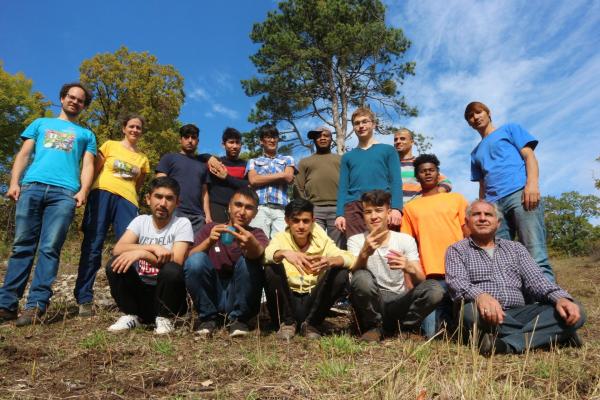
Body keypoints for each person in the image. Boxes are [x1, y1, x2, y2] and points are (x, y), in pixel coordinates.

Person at [0, 83, 96, 327]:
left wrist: (83, 190)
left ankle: (36, 306)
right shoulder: (40, 123)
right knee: (22, 246)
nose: (75, 102)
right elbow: (23, 154)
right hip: (32, 186)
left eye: (80, 100)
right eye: (71, 97)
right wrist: (14, 182)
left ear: (84, 106)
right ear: (62, 98)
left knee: (50, 248)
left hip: (64, 193)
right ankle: (7, 305)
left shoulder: (86, 134)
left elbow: (88, 165)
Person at [445, 199, 586, 356]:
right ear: (467, 222)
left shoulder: (515, 248)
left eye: (488, 214)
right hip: (483, 313)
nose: (483, 218)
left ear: (498, 223)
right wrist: (480, 296)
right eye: (476, 214)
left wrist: (560, 298)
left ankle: (506, 345)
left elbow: (537, 281)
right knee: (469, 313)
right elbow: (456, 282)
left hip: (519, 311)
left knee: (576, 309)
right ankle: (555, 335)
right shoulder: (456, 250)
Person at [465, 101, 554, 281]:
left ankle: (547, 303)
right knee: (500, 258)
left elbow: (529, 156)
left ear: (488, 113)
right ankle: (516, 304)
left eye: (478, 112)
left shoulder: (509, 129)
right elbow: (482, 184)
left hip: (520, 194)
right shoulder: (475, 153)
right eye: (470, 117)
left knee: (534, 252)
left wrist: (532, 185)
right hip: (494, 206)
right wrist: (482, 209)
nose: (475, 117)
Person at [75, 114, 150, 316]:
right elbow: (94, 168)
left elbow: (138, 183)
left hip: (127, 201)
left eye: (138, 128)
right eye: (131, 126)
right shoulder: (109, 145)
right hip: (102, 194)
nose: (135, 130)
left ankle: (133, 300)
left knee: (129, 247)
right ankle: (84, 299)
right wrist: (85, 190)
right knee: (93, 244)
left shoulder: (143, 159)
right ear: (124, 128)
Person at [348, 190, 445, 342]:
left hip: (397, 300)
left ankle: (406, 328)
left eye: (379, 211)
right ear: (363, 215)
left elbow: (420, 278)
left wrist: (408, 266)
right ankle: (374, 327)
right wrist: (364, 254)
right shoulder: (356, 240)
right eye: (368, 212)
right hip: (371, 302)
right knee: (361, 276)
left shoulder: (405, 240)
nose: (374, 216)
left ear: (388, 213)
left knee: (435, 289)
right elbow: (353, 276)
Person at [105, 177, 193, 334]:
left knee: (172, 269)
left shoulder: (182, 223)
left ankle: (165, 319)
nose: (163, 203)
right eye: (158, 196)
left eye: (169, 198)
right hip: (142, 292)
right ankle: (131, 315)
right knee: (114, 265)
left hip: (169, 295)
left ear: (177, 203)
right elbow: (118, 249)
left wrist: (142, 254)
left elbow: (177, 260)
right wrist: (151, 248)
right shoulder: (141, 221)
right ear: (148, 199)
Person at [263, 198, 355, 340]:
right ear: (287, 221)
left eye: (306, 221)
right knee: (271, 267)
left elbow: (350, 258)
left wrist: (331, 260)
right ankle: (287, 323)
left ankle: (312, 324)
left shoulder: (321, 240)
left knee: (341, 271)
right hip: (287, 302)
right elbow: (266, 255)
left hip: (311, 302)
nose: (301, 226)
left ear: (313, 221)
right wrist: (284, 253)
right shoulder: (280, 238)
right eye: (296, 220)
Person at [400, 154, 469, 337]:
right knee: (433, 334)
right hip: (431, 277)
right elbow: (406, 244)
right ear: (417, 177)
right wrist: (408, 280)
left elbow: (468, 232)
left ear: (439, 174)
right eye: (422, 171)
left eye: (431, 170)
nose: (427, 174)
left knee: (467, 326)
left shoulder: (456, 199)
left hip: (460, 271)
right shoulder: (411, 208)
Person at [184, 187, 267, 337]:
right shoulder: (211, 228)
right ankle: (208, 318)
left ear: (255, 213)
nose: (242, 212)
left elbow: (261, 254)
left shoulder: (256, 234)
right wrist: (209, 241)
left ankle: (239, 320)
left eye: (248, 208)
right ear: (229, 207)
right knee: (196, 260)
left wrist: (251, 244)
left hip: (238, 294)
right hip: (214, 292)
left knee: (250, 261)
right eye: (238, 205)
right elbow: (189, 258)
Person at [335, 107, 403, 239]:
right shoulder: (348, 157)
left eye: (365, 121)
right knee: (358, 250)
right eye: (357, 123)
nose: (361, 126)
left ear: (373, 124)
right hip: (354, 207)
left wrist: (396, 208)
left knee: (386, 249)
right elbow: (343, 188)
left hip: (382, 204)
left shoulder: (388, 150)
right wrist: (340, 214)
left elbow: (395, 181)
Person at [156, 124, 211, 234]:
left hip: (197, 217)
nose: (190, 140)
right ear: (180, 139)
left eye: (193, 137)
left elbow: (204, 193)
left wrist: (208, 216)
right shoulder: (169, 158)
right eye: (186, 137)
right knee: (169, 249)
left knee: (195, 250)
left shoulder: (203, 165)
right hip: (173, 212)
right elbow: (159, 185)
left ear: (198, 141)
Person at [295, 126, 344, 248]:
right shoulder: (305, 162)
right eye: (318, 136)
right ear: (314, 140)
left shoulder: (341, 159)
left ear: (331, 139)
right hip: (315, 208)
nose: (322, 138)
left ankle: (335, 268)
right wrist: (306, 207)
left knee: (336, 246)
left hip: (337, 208)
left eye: (326, 136)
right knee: (315, 244)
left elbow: (348, 183)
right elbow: (298, 185)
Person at [246, 124, 295, 238]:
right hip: (259, 208)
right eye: (268, 137)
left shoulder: (288, 159)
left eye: (275, 137)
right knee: (258, 243)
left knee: (282, 244)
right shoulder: (253, 161)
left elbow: (289, 178)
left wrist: (262, 178)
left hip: (281, 209)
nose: (272, 140)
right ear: (261, 141)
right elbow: (253, 180)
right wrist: (281, 174)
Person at [393, 128, 452, 205]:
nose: (398, 141)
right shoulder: (390, 164)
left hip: (418, 211)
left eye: (402, 139)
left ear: (412, 142)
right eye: (395, 139)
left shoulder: (420, 164)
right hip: (395, 214)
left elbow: (446, 182)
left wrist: (431, 197)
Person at [204, 127, 250, 223]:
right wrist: (208, 157)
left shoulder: (246, 165)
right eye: (231, 142)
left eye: (238, 143)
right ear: (223, 144)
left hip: (237, 210)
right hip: (216, 207)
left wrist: (227, 177)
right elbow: (196, 158)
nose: (235, 146)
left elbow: (249, 186)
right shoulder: (216, 162)